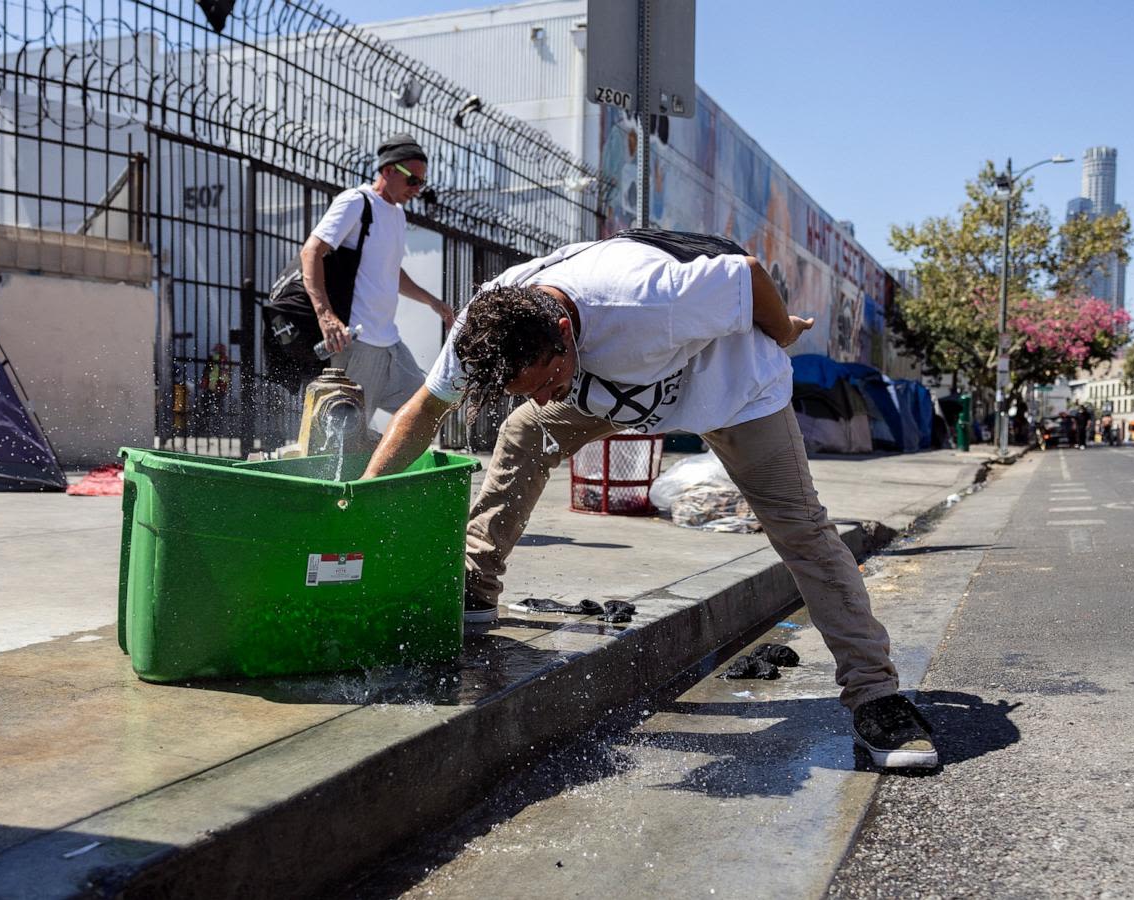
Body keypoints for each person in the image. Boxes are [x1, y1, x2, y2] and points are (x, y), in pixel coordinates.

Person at [361, 230, 938, 769]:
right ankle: (476, 585)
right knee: (524, 431)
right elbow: (422, 413)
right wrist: (356, 503)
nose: (541, 396)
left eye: (545, 381)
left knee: (802, 531)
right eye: (525, 389)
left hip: (736, 393)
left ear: (563, 330)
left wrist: (783, 330)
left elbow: (747, 272)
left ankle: (875, 696)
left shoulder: (645, 299)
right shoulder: (487, 327)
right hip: (616, 394)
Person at [300, 133, 454, 420]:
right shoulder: (356, 202)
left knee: (426, 410)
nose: (417, 189)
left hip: (390, 343)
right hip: (359, 342)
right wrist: (325, 316)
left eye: (422, 183)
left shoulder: (397, 214)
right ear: (388, 170)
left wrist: (433, 302)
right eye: (413, 180)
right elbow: (311, 252)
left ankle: (385, 462)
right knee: (346, 435)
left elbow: (391, 271)